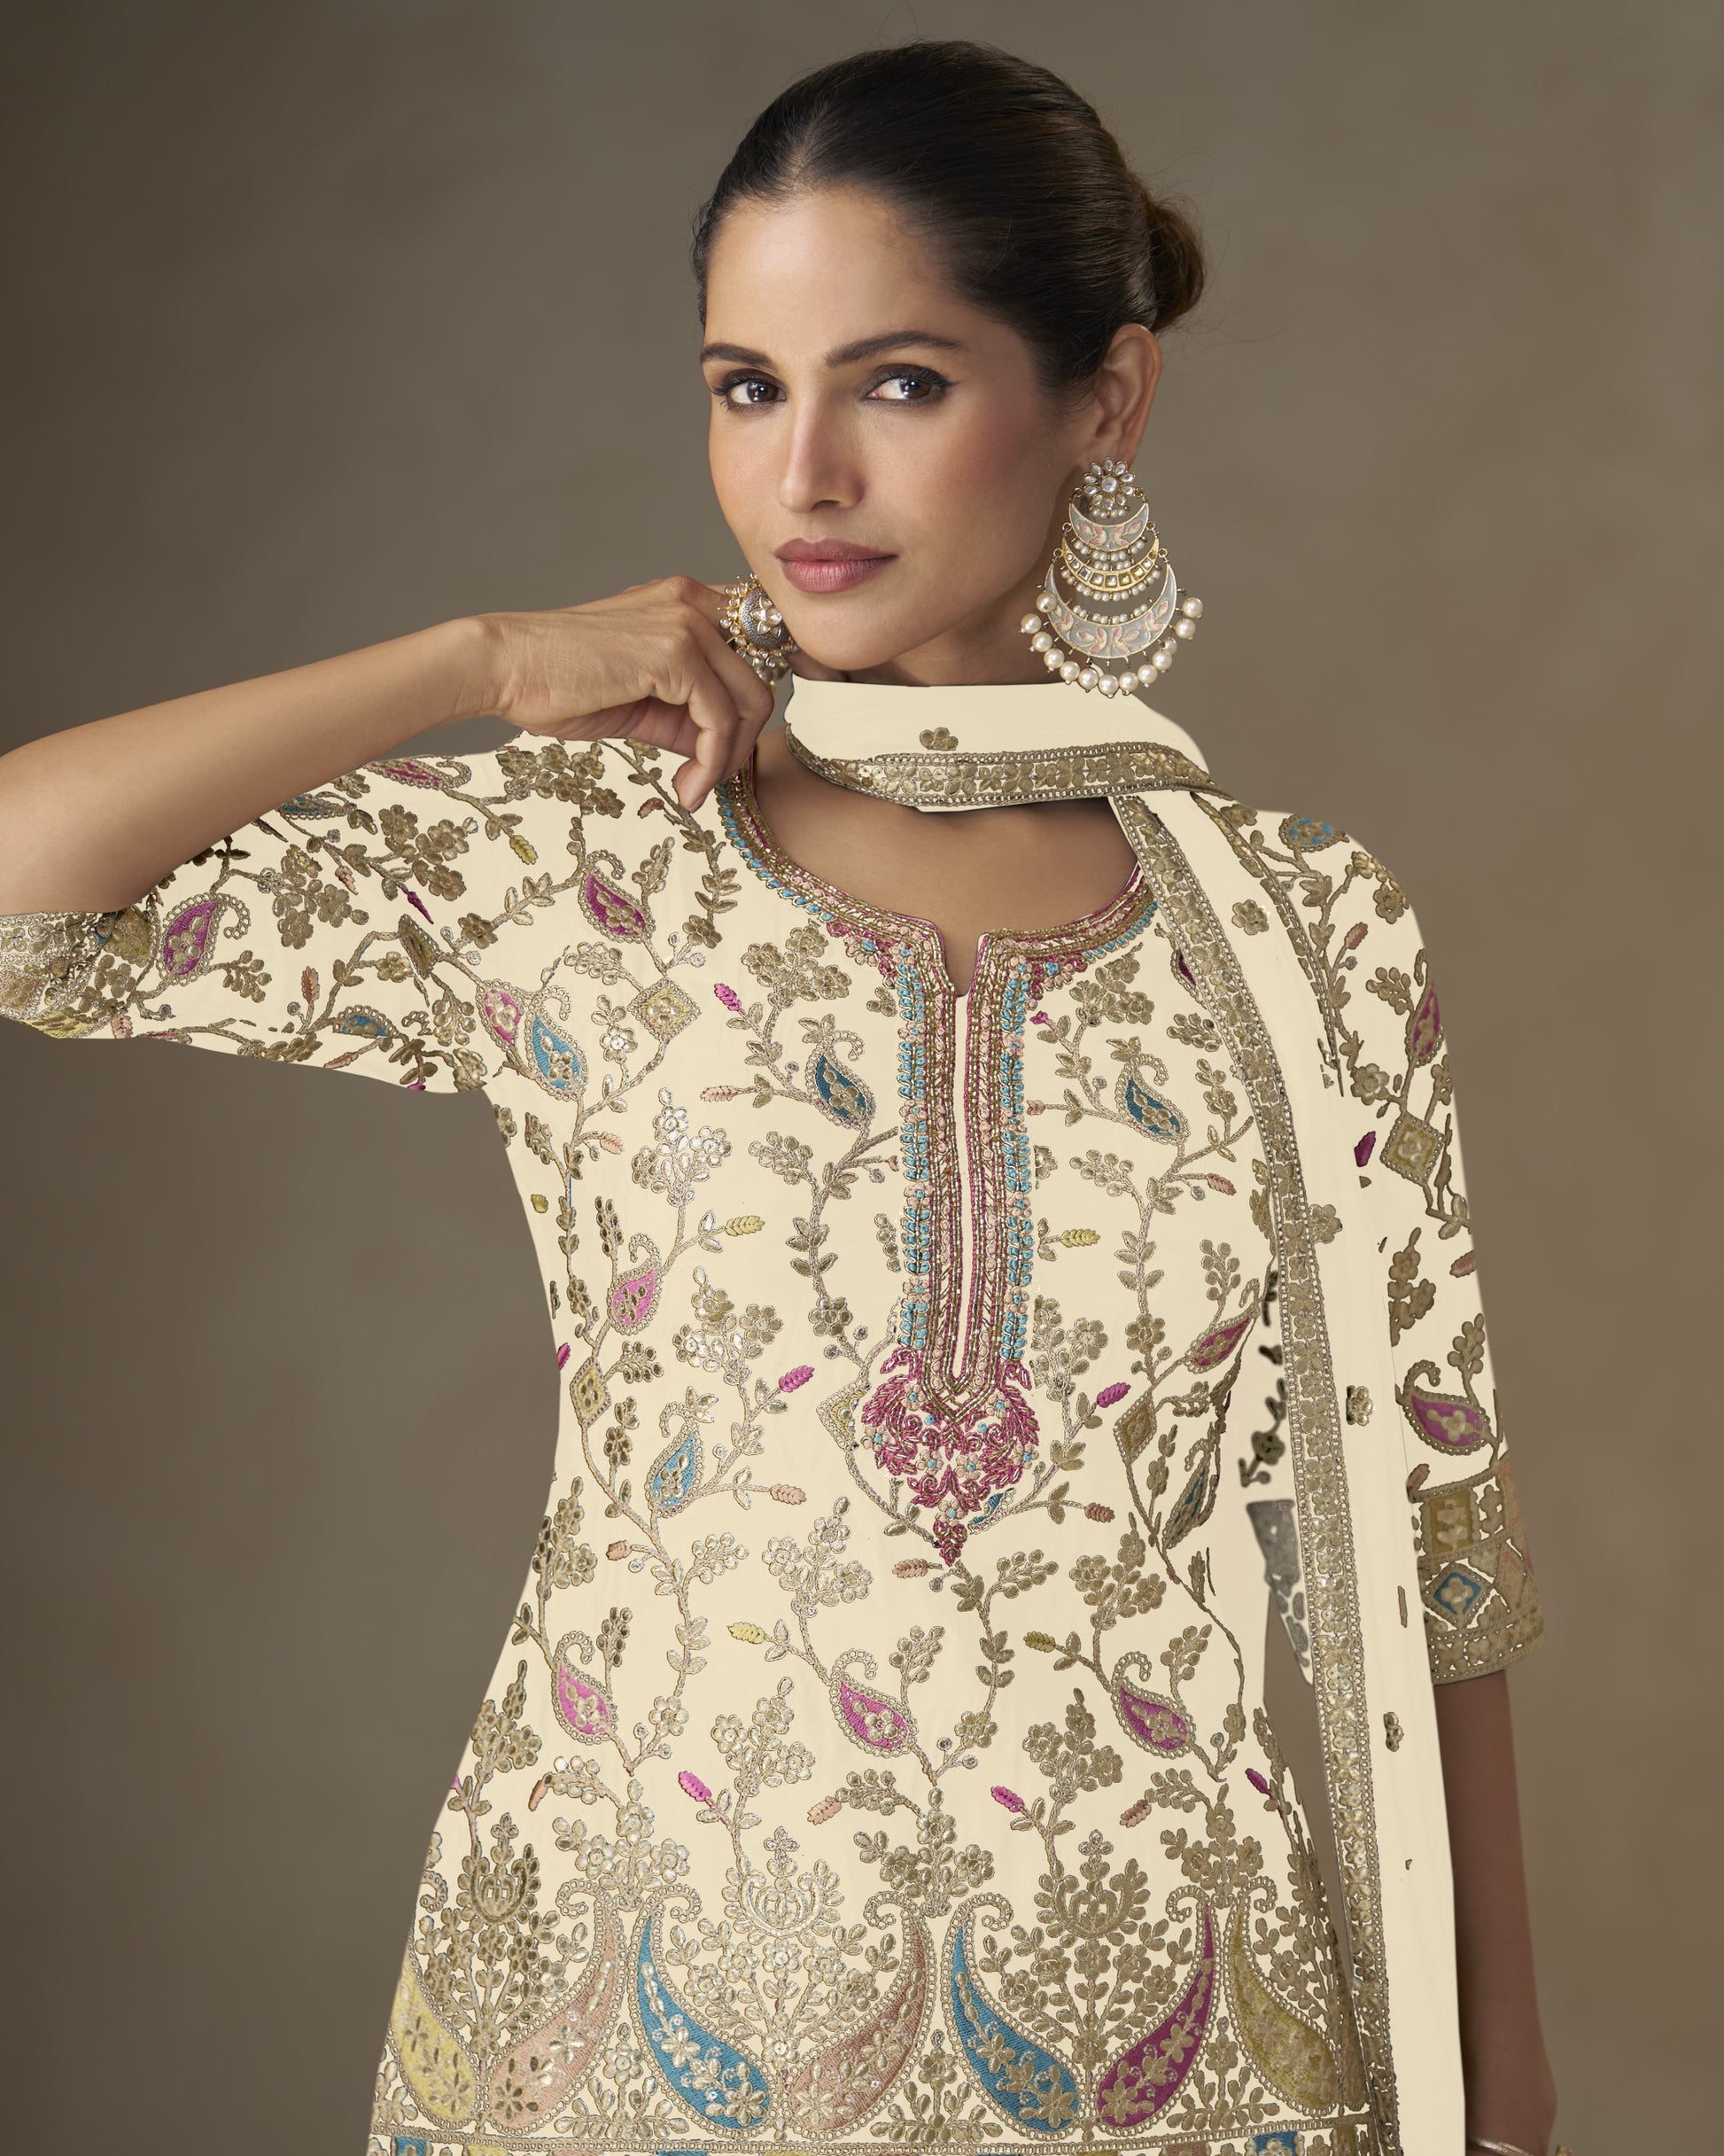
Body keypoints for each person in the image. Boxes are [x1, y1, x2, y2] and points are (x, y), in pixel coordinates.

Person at [0, 40, 1565, 2156]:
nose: (802, 473)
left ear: (1104, 401)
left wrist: (1496, 2070)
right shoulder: (593, 849)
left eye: (897, 383)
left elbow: (1422, 1537)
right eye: (748, 385)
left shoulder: (1303, 931)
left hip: (1165, 2051)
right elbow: (31, 898)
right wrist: (470, 659)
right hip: (634, 2013)